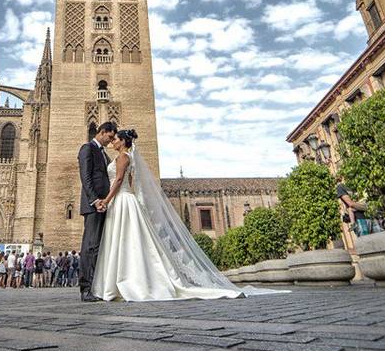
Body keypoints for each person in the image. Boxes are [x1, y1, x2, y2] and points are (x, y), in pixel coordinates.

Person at [91, 129, 269, 301]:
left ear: (123, 141)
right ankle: (131, 281)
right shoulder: (126, 157)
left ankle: (128, 282)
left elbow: (121, 180)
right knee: (131, 241)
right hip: (124, 200)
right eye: (112, 138)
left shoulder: (123, 157)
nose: (112, 141)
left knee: (127, 241)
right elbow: (129, 181)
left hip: (121, 200)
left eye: (115, 139)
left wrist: (107, 200)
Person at [77, 122, 117, 301]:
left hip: (103, 204)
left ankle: (96, 286)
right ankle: (86, 288)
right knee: (90, 245)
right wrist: (95, 200)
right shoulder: (87, 148)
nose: (110, 141)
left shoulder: (103, 153)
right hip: (94, 205)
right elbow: (85, 177)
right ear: (102, 132)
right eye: (109, 137)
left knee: (98, 246)